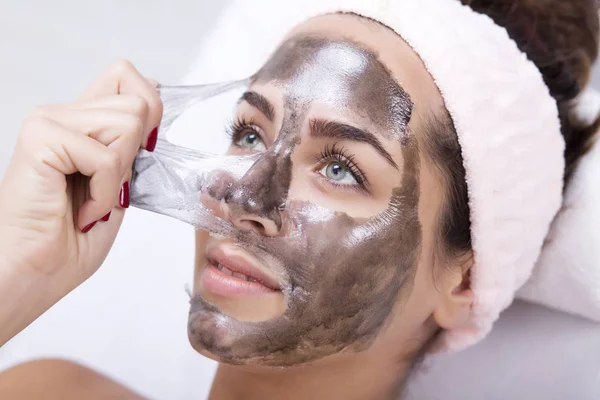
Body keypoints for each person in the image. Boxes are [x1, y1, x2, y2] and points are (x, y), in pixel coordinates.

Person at [0, 0, 598, 399]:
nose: (244, 194)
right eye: (249, 134)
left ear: (465, 281)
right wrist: (17, 271)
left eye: (340, 167)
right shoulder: (48, 388)